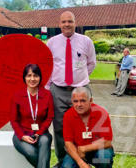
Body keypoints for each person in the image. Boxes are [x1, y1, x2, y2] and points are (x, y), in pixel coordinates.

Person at [45, 11, 96, 168]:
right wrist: (48, 87)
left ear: (75, 23)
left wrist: (79, 80)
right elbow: (48, 66)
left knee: (83, 126)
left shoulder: (86, 41)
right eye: (64, 22)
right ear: (59, 24)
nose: (67, 24)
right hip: (58, 91)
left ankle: (83, 159)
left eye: (70, 21)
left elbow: (91, 63)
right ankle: (62, 161)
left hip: (80, 91)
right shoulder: (52, 43)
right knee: (59, 128)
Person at [10, 64, 54, 168]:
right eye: (29, 75)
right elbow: (13, 120)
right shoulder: (17, 95)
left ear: (40, 77)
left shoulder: (47, 95)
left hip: (42, 133)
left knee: (45, 140)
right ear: (24, 78)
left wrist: (39, 133)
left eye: (35, 75)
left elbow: (49, 117)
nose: (32, 79)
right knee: (31, 153)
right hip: (21, 134)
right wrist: (22, 136)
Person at [62, 87, 114, 168]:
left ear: (91, 101)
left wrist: (85, 148)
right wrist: (81, 163)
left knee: (103, 158)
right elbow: (68, 143)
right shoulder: (68, 115)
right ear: (72, 101)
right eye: (75, 101)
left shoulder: (101, 113)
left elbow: (107, 141)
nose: (79, 105)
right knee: (67, 166)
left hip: (97, 152)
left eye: (83, 101)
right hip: (78, 152)